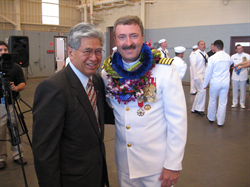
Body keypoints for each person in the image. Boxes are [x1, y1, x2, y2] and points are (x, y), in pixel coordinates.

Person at [101, 15, 187, 187]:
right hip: (125, 164)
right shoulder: (107, 74)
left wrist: (173, 164)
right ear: (115, 40)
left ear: (142, 37)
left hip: (157, 166)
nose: (128, 43)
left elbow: (177, 120)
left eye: (133, 35)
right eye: (122, 37)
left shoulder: (164, 70)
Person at [32, 22, 114, 187]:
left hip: (96, 174)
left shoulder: (96, 81)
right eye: (87, 51)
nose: (94, 58)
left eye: (98, 51)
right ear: (70, 52)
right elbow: (45, 151)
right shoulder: (54, 88)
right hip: (72, 180)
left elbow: (104, 116)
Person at [0, 41, 27, 170]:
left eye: (5, 50)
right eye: (0, 50)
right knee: (0, 132)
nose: (3, 52)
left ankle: (18, 154)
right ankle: (1, 157)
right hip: (0, 104)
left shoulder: (15, 67)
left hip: (12, 103)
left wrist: (15, 87)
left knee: (15, 129)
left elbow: (22, 83)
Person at [203, 40, 232, 127]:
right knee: (223, 102)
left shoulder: (212, 58)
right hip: (226, 82)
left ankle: (211, 118)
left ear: (215, 47)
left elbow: (208, 72)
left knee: (212, 100)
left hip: (216, 82)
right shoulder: (228, 57)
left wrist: (205, 84)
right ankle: (220, 121)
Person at [190, 40, 208, 115]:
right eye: (201, 44)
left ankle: (194, 108)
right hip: (198, 75)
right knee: (203, 91)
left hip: (204, 75)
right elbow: (193, 66)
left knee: (200, 92)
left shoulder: (205, 54)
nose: (203, 45)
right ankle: (199, 109)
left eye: (204, 44)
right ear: (198, 46)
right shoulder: (195, 54)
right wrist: (196, 77)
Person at [230, 44, 250, 109]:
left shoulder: (247, 56)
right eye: (238, 48)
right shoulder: (233, 56)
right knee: (234, 90)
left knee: (243, 90)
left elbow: (248, 64)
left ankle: (242, 103)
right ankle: (234, 102)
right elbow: (229, 64)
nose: (240, 49)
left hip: (243, 75)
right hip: (235, 75)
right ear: (236, 50)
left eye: (241, 48)